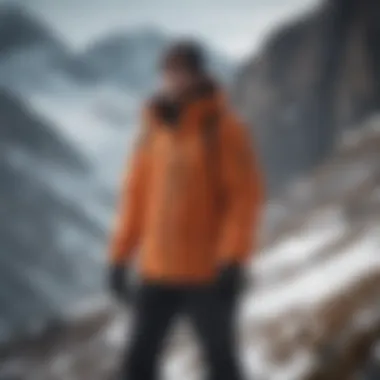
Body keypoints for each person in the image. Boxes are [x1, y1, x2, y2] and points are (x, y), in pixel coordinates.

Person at [108, 40, 264, 380]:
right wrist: (119, 257)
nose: (174, 80)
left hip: (207, 275)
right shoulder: (152, 130)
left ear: (198, 75)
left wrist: (234, 258)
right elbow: (135, 198)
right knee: (136, 365)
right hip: (156, 272)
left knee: (222, 366)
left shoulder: (224, 128)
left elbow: (244, 197)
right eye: (169, 72)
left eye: (182, 72)